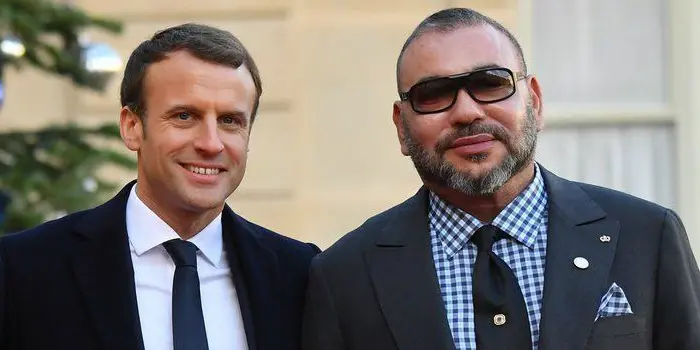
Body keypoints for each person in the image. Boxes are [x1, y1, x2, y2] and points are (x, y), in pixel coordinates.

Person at [301, 7, 700, 350]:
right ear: (402, 128)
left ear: (536, 102)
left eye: (490, 84)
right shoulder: (344, 277)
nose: (467, 112)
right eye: (434, 94)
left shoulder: (647, 238)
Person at [0, 23, 320, 350]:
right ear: (132, 127)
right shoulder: (25, 269)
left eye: (230, 121)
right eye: (184, 116)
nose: (211, 144)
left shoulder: (299, 274)